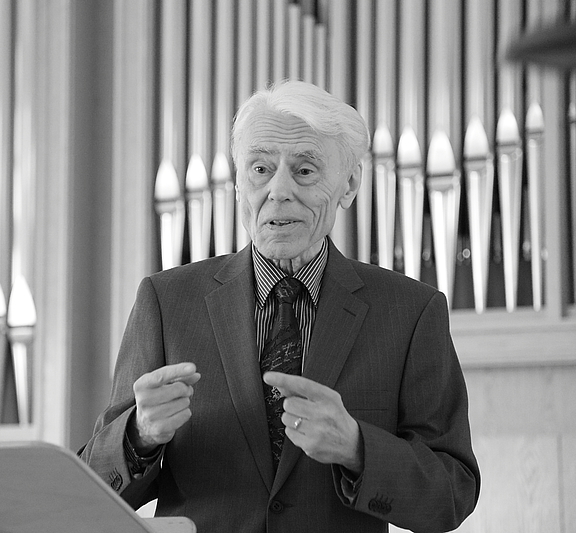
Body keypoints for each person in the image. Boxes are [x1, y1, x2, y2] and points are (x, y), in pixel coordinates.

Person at [79, 80, 480, 532]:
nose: (278, 190)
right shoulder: (166, 302)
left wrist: (357, 447)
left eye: (304, 171)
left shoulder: (411, 312)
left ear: (349, 184)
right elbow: (88, 488)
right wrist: (139, 435)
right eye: (260, 169)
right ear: (238, 184)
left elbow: (453, 494)